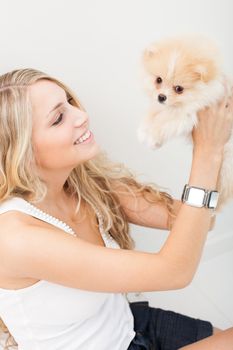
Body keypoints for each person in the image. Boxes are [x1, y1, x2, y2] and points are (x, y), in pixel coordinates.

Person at [0, 68, 232, 350]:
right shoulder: (15, 237)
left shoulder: (82, 182)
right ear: (21, 152)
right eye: (59, 117)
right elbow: (175, 272)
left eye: (70, 102)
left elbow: (194, 221)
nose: (81, 115)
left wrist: (193, 124)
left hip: (130, 327)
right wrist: (207, 152)